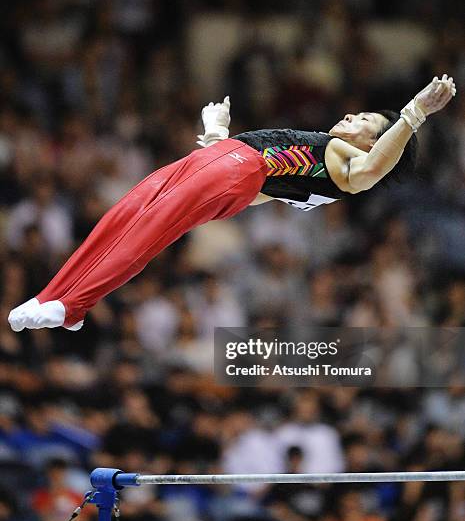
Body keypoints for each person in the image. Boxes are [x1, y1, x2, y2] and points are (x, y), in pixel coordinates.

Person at [7, 75, 456, 332]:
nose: (353, 117)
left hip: (232, 170)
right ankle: (56, 299)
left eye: (366, 123)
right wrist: (216, 136)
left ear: (375, 143)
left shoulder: (348, 164)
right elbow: (253, 189)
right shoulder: (319, 166)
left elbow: (371, 170)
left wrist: (413, 114)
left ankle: (71, 305)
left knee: (141, 237)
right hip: (224, 168)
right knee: (123, 216)